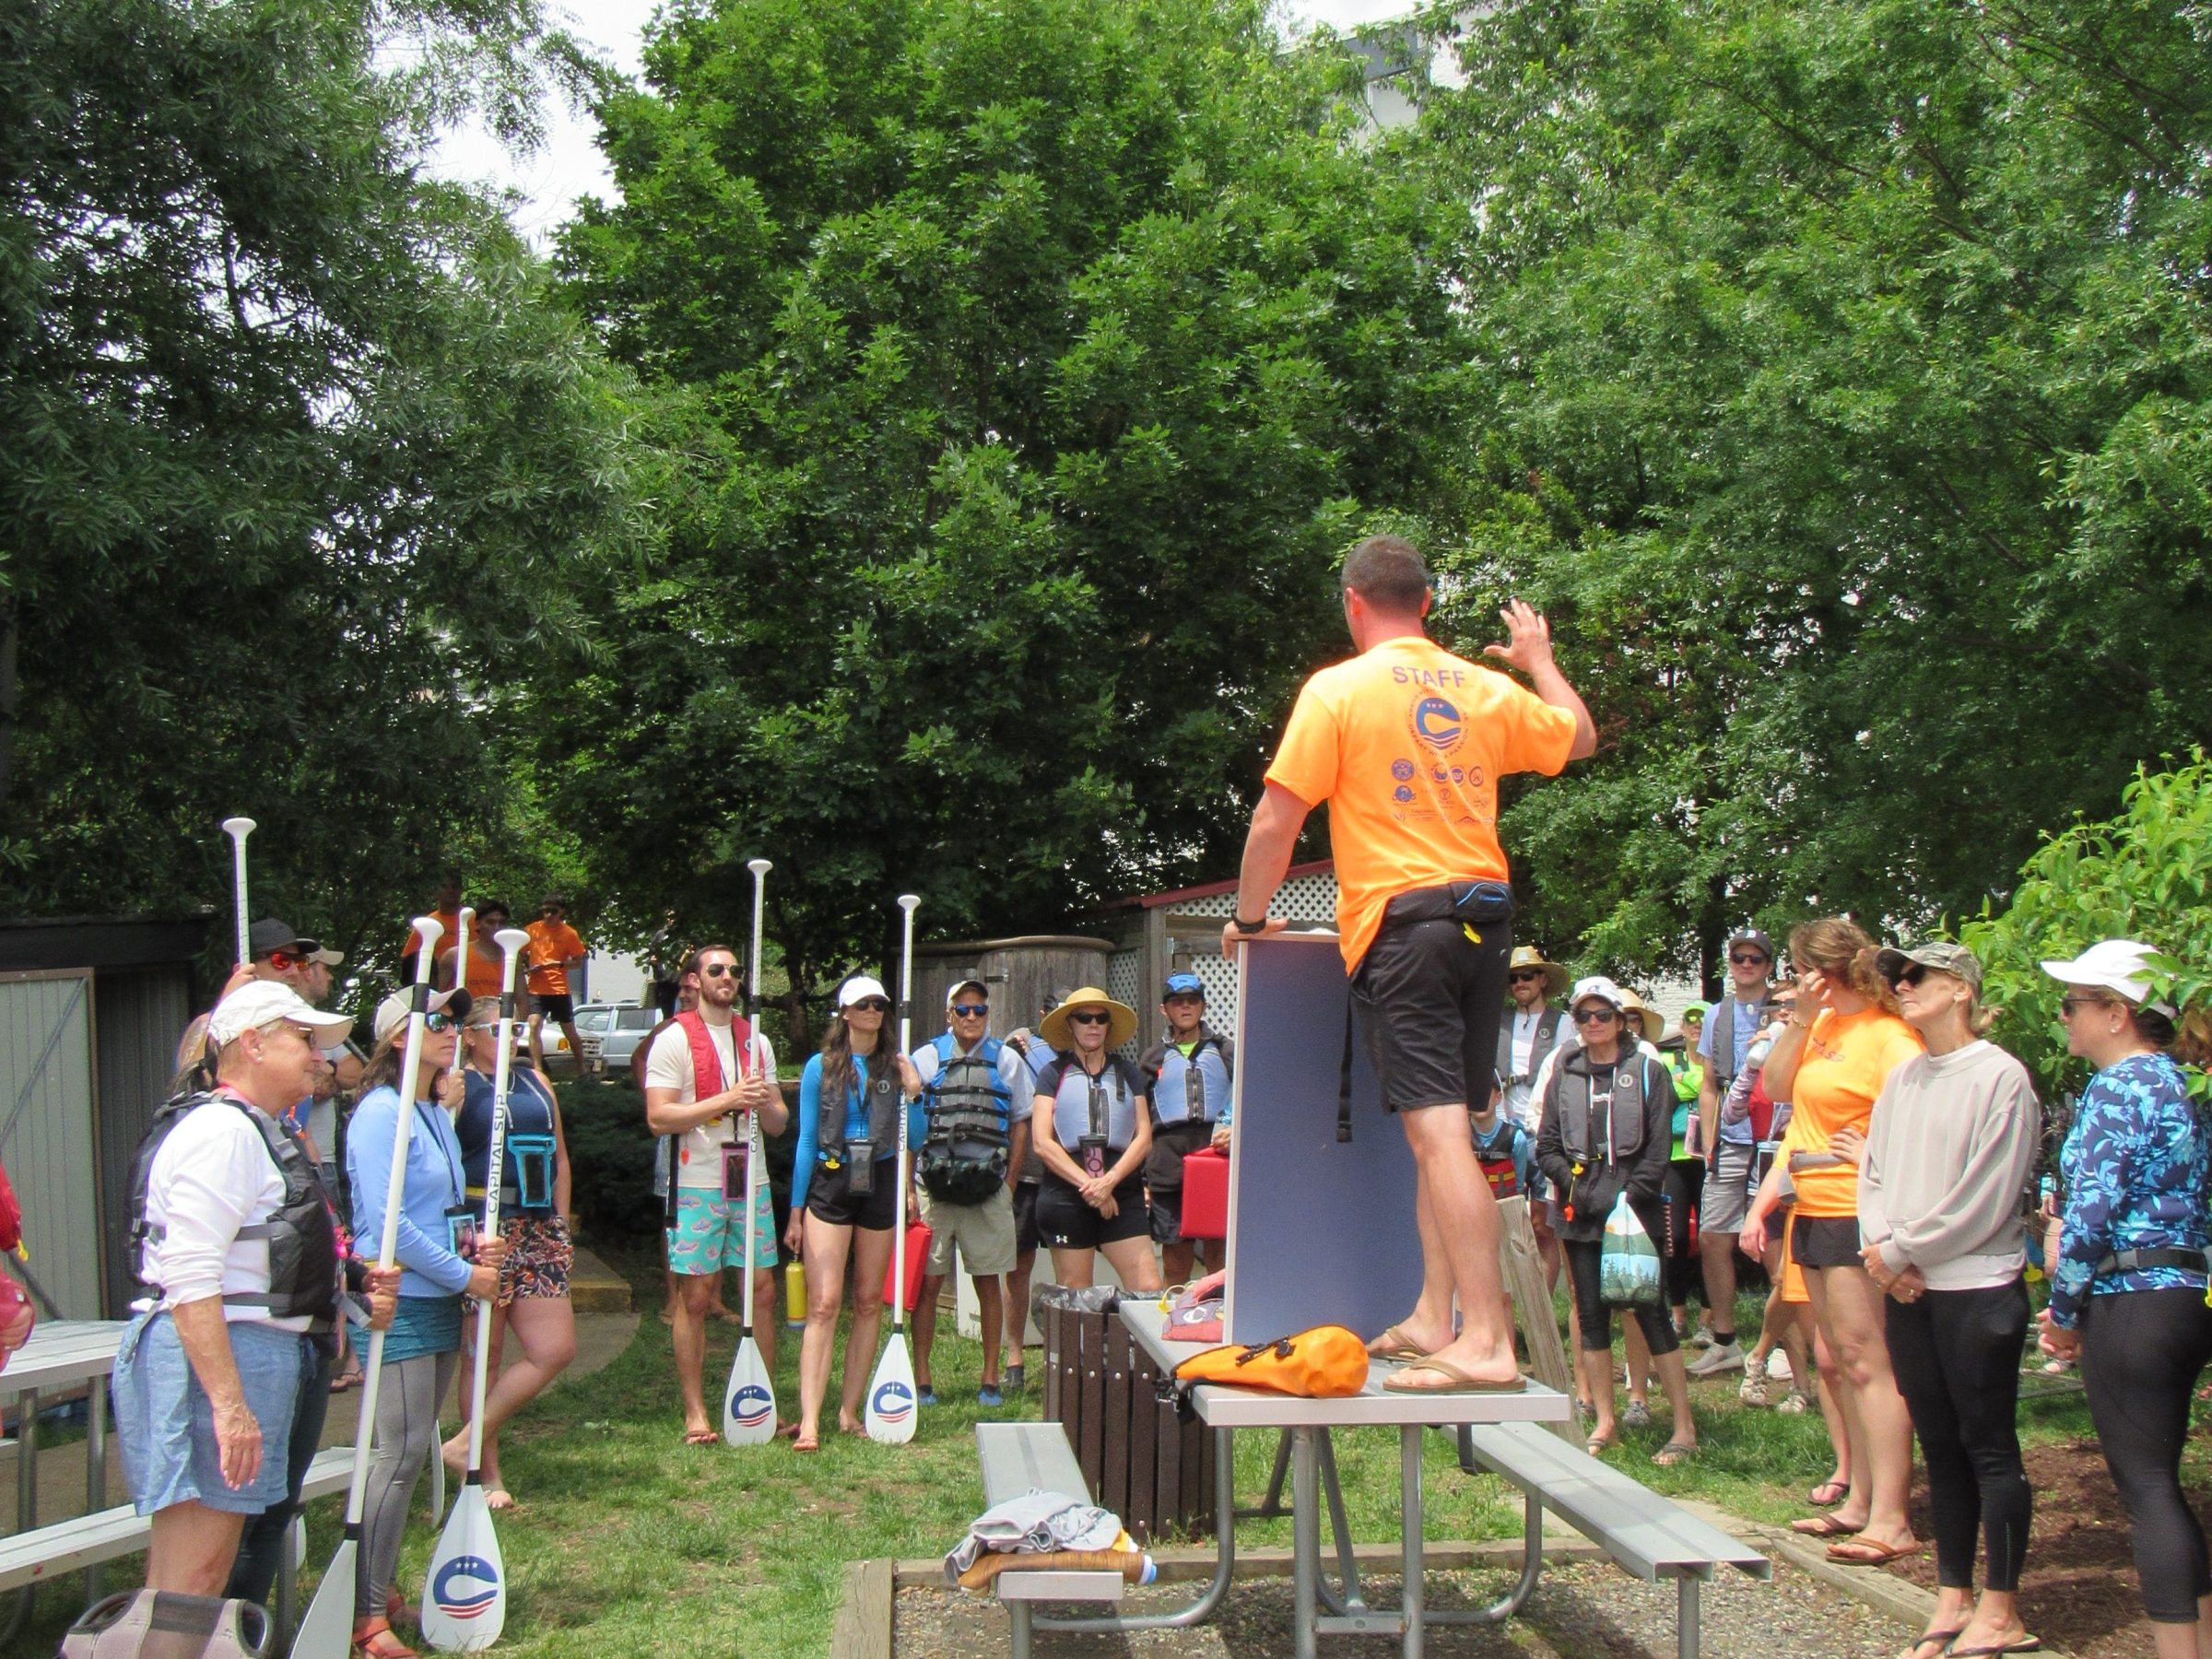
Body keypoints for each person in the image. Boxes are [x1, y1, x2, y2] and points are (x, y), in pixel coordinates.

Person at [1225, 535, 1594, 1394]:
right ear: (1426, 603)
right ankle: (1435, 1313)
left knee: (1435, 1137)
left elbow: (1275, 822)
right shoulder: (1481, 686)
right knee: (1450, 1133)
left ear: (1353, 603)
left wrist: (1249, 919)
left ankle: (1488, 1341)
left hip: (1404, 924)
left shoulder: (1339, 689)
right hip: (1484, 919)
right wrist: (1539, 657)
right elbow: (1575, 739)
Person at [114, 982, 394, 1609]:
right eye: (302, 1037)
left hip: (254, 1352)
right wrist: (229, 1404)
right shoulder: (222, 1132)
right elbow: (189, 1278)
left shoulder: (255, 1129)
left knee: (199, 1580)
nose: (320, 1056)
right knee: (195, 1580)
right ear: (252, 1043)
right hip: (224, 1357)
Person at [1859, 941, 2041, 1659]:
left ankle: (2003, 1608)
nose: (1900, 986)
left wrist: (1901, 1250)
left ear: (1961, 989)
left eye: (1915, 976)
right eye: (1896, 977)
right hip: (1907, 1287)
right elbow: (1870, 1172)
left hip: (1977, 1288)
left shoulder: (2002, 1078)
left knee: (1988, 1447)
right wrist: (1882, 1253)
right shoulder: (1903, 1079)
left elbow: (1988, 1194)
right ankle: (1952, 1594)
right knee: (1939, 1445)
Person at [2037, 939, 2212, 1659]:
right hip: (2186, 1295)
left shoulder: (2121, 1087)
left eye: (2072, 1003)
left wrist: (2065, 1311)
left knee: (2145, 1489)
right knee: (2164, 1484)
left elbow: (2093, 1213)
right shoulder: (2183, 1083)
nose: (2063, 1017)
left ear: (2117, 1013)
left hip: (2130, 1296)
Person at [1746, 916, 1924, 1568]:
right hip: (1811, 1208)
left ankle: (1891, 1517)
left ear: (1824, 968)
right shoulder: (1821, 1025)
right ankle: (1859, 1500)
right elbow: (1776, 1088)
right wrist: (1799, 1021)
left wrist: (1875, 1148)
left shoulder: (1888, 1036)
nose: (1793, 980)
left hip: (1859, 1211)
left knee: (1867, 1359)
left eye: (1796, 968)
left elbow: (1921, 1120)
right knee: (1836, 1360)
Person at [346, 986, 504, 1658]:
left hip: (437, 1295)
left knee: (413, 1453)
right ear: (401, 1037)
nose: (453, 1031)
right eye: (439, 1021)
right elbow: (388, 1227)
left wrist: (475, 1246)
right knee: (401, 1453)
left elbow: (440, 1211)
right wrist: (465, 1273)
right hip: (400, 1300)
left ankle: (379, 1590)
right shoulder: (381, 1115)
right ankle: (361, 1615)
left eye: (456, 1021)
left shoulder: (433, 1111)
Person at [1533, 978, 1696, 1463]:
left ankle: (1683, 1427)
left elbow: (1658, 1147)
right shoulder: (1565, 1070)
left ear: (1622, 1019)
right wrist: (1577, 1188)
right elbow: (1547, 1144)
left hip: (1636, 1209)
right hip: (1579, 1209)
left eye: (1603, 1014)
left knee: (1649, 1310)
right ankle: (1605, 1421)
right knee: (1590, 1314)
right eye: (1584, 1016)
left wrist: (1628, 1196)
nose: (1594, 1024)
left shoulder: (1647, 1070)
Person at [644, 945, 787, 1446]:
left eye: (735, 970)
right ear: (694, 980)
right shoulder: (674, 1040)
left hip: (751, 1178)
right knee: (697, 1296)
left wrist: (765, 1101)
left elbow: (777, 1122)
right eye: (716, 970)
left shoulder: (756, 1041)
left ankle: (761, 1399)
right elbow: (659, 1117)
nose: (728, 977)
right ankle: (696, 1411)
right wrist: (728, 1099)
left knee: (763, 1292)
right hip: (699, 1179)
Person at [444, 999, 578, 1509]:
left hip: (539, 1224)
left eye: (517, 1026)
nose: (511, 1035)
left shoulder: (536, 1081)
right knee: (486, 1353)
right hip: (484, 1225)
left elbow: (560, 1155)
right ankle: (482, 1471)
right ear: (472, 1036)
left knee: (555, 1348)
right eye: (497, 1028)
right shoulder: (456, 1085)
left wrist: (561, 1224)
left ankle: (463, 1442)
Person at [786, 974, 924, 1449]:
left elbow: (916, 1137)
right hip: (832, 1177)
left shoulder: (895, 1065)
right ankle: (809, 1420)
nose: (873, 1012)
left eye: (879, 1004)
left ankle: (848, 1411)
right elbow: (806, 1140)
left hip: (881, 1180)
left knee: (868, 1302)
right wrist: (795, 1209)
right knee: (824, 1304)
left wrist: (915, 1091)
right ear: (845, 1012)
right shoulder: (819, 1067)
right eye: (863, 1004)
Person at [910, 979, 1032, 1407]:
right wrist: (909, 1186)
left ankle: (991, 1378)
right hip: (935, 1187)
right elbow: (907, 1122)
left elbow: (1020, 1120)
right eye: (963, 1010)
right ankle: (922, 1378)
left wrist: (1011, 1181)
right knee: (927, 1283)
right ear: (949, 1014)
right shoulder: (925, 1059)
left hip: (987, 1187)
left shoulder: (1008, 1060)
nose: (971, 1018)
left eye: (979, 1010)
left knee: (988, 1280)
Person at [1030, 988, 1162, 1295]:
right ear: (1070, 1025)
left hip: (1121, 1191)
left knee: (1148, 1287)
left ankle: (1133, 1344)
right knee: (1076, 1292)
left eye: (1101, 1019)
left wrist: (1110, 1182)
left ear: (1109, 1026)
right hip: (1067, 1192)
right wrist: (1091, 1187)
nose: (1093, 1025)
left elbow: (1144, 1136)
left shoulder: (1127, 1071)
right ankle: (1075, 1344)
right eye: (1084, 1018)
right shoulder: (1053, 1073)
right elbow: (1041, 1142)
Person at [1689, 927, 1776, 1379]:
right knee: (1712, 1238)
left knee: (1778, 1242)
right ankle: (1725, 1340)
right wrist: (1707, 1140)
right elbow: (1708, 1083)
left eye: (1754, 959)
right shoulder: (1716, 1014)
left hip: (1773, 1137)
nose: (1746, 965)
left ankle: (1783, 1344)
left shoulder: (1784, 1008)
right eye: (1739, 957)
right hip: (1729, 1138)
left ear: (1768, 965)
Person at [1138, 971, 1235, 1287]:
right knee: (1175, 1255)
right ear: (1164, 1010)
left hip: (1215, 1159)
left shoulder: (1226, 1050)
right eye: (1177, 1001)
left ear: (1203, 1006)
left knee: (1218, 1252)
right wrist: (1142, 1180)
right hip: (1168, 1163)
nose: (1185, 1007)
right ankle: (1175, 1318)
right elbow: (1138, 1123)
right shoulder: (1151, 1059)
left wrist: (1236, 1131)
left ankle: (1220, 1321)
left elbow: (1253, 1101)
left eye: (1192, 1001)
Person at [999, 988, 1072, 1394]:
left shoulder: (1085, 1055)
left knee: (1068, 1269)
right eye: (1057, 1013)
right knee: (1018, 1268)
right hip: (1026, 1176)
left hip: (1067, 1176)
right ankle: (1013, 1358)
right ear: (1044, 1014)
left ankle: (1063, 1358)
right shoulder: (1018, 1044)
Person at [524, 893, 588, 1073]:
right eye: (545, 910)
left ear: (562, 912)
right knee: (534, 1024)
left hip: (559, 989)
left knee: (569, 1031)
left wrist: (557, 964)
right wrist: (526, 968)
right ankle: (537, 1070)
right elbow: (518, 952)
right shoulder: (531, 930)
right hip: (536, 989)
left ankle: (582, 1069)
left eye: (553, 911)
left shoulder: (569, 933)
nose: (549, 915)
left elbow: (578, 961)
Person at [440, 900, 511, 1005]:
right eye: (490, 922)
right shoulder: (455, 955)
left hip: (499, 1018)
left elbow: (521, 998)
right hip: (464, 1019)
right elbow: (438, 994)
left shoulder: (511, 958)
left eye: (502, 923)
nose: (497, 927)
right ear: (477, 924)